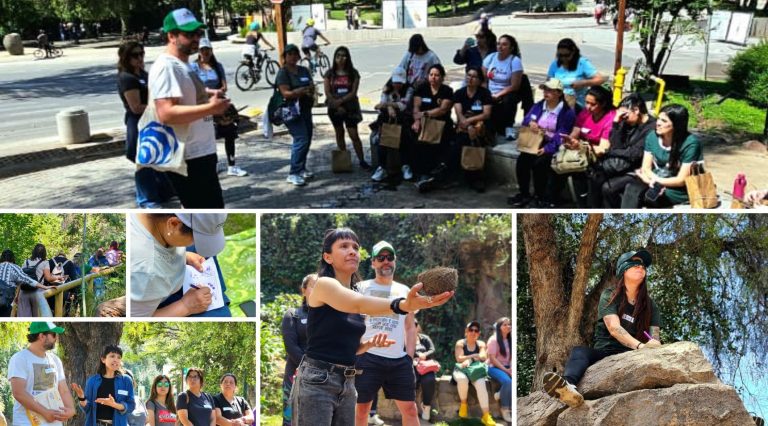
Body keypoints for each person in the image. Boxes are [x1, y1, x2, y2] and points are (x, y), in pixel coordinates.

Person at [291, 228, 454, 425]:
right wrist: (403, 305)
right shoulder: (325, 284)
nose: (352, 251)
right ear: (328, 257)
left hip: (348, 380)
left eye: (355, 247)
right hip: (317, 379)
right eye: (343, 246)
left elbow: (344, 344)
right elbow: (358, 303)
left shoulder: (354, 290)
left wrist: (366, 345)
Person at [543, 249, 662, 407]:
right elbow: (614, 328)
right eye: (635, 264)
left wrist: (654, 343)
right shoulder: (610, 295)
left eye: (643, 266)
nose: (641, 267)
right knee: (579, 351)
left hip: (632, 355)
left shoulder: (651, 306)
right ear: (623, 269)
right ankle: (567, 387)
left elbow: (654, 337)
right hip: (606, 352)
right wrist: (640, 345)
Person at [148, 8, 231, 208]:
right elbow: (166, 113)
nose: (195, 38)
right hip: (189, 157)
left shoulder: (182, 65)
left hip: (200, 153)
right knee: (207, 219)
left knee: (209, 218)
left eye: (198, 33)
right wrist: (211, 109)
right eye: (188, 34)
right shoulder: (166, 67)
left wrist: (209, 98)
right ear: (171, 36)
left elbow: (186, 101)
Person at [354, 241, 418, 426]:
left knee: (410, 410)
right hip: (367, 357)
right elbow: (352, 323)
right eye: (380, 258)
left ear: (395, 261)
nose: (385, 262)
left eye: (389, 258)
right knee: (361, 411)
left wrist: (409, 356)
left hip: (399, 360)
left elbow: (410, 326)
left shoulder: (405, 291)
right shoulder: (360, 288)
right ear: (373, 263)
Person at [130, 213, 227, 317]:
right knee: (221, 315)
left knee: (206, 257)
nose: (194, 243)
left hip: (166, 276)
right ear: (173, 224)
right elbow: (139, 318)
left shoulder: (149, 221)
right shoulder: (145, 272)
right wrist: (186, 306)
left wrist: (184, 256)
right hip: (161, 300)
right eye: (196, 239)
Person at [118, 40, 174, 208]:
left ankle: (163, 192)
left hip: (152, 119)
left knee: (157, 157)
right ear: (126, 57)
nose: (140, 58)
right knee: (143, 160)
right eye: (135, 55)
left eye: (142, 53)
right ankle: (146, 199)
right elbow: (135, 107)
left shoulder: (142, 74)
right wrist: (160, 107)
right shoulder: (127, 78)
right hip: (139, 121)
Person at [508, 78, 576, 208]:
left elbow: (561, 135)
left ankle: (540, 196)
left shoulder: (567, 113)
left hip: (552, 145)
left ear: (558, 93)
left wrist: (547, 149)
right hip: (535, 141)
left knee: (540, 164)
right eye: (545, 89)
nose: (546, 92)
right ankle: (524, 193)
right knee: (522, 162)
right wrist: (531, 123)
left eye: (550, 90)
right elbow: (527, 119)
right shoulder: (539, 105)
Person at [621, 104, 703, 208]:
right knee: (630, 188)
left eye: (664, 121)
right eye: (658, 119)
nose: (658, 123)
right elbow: (646, 167)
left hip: (676, 189)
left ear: (676, 125)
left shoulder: (690, 143)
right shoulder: (652, 136)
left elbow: (681, 180)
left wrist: (655, 181)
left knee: (650, 197)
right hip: (655, 180)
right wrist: (652, 181)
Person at [191, 38, 247, 177]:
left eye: (207, 49)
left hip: (220, 103)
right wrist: (211, 92)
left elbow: (224, 85)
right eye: (202, 50)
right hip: (204, 104)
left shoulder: (217, 66)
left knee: (229, 133)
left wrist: (219, 91)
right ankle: (213, 164)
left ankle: (232, 165)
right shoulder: (194, 67)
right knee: (209, 136)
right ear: (198, 51)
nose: (205, 52)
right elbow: (195, 88)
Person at [591, 94, 656, 208]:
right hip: (623, 164)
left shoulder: (651, 128)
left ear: (636, 110)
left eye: (625, 115)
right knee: (595, 177)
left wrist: (610, 152)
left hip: (638, 168)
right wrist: (616, 123)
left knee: (608, 188)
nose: (623, 119)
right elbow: (616, 146)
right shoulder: (626, 123)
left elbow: (635, 154)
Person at [556, 85, 616, 207]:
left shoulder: (610, 118)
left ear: (603, 104)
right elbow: (575, 132)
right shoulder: (585, 113)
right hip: (583, 153)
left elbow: (603, 149)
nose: (588, 107)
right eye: (586, 103)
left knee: (587, 176)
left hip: (601, 158)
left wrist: (583, 146)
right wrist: (570, 140)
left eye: (592, 104)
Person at [8, 322, 76, 425]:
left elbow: (63, 390)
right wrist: (45, 412)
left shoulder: (55, 360)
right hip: (27, 422)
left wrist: (71, 409)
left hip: (54, 422)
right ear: (42, 336)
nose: (56, 338)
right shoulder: (20, 358)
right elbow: (18, 393)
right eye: (53, 335)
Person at [446, 65, 494, 193]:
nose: (470, 79)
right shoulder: (459, 93)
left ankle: (476, 178)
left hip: (482, 127)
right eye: (468, 75)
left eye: (474, 76)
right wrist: (467, 125)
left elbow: (486, 114)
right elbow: (459, 113)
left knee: (473, 140)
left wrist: (470, 123)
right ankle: (458, 175)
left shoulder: (484, 93)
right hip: (464, 126)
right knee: (461, 140)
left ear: (479, 80)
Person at [323, 46, 370, 171]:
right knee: (339, 133)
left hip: (350, 108)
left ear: (348, 58)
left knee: (354, 135)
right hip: (334, 108)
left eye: (344, 56)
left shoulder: (353, 73)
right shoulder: (329, 74)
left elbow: (353, 92)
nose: (341, 59)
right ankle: (344, 160)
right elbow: (327, 92)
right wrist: (337, 104)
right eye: (338, 56)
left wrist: (341, 102)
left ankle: (362, 160)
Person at [277, 44, 316, 186]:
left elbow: (311, 85)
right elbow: (285, 93)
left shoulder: (304, 70)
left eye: (295, 54)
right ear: (285, 57)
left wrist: (310, 90)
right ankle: (293, 173)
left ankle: (301, 168)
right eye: (290, 54)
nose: (293, 57)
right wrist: (300, 91)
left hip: (305, 108)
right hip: (291, 111)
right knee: (301, 138)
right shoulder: (283, 73)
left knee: (308, 138)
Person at [411, 64, 455, 188]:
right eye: (431, 75)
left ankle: (438, 174)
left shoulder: (447, 91)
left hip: (441, 123)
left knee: (440, 143)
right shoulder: (422, 88)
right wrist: (417, 120)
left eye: (436, 75)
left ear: (442, 77)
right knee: (417, 140)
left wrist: (424, 114)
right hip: (424, 123)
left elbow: (443, 109)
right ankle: (421, 173)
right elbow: (416, 107)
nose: (433, 78)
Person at [280, 274, 314, 426]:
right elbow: (290, 346)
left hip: (324, 378)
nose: (318, 289)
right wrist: (310, 367)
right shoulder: (293, 314)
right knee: (291, 419)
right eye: (314, 285)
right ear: (304, 290)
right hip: (296, 373)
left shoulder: (329, 317)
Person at [72, 344, 135, 426]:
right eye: (112, 356)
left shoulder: (126, 380)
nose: (116, 360)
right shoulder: (92, 381)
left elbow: (131, 406)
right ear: (103, 359)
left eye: (119, 357)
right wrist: (81, 397)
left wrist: (114, 405)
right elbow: (87, 409)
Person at [371, 67, 415, 184]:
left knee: (404, 137)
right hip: (387, 119)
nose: (397, 85)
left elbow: (403, 105)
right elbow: (380, 106)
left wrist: (389, 105)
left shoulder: (409, 90)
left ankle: (405, 165)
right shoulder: (386, 89)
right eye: (395, 82)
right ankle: (382, 167)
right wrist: (389, 107)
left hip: (403, 119)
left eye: (400, 83)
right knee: (383, 139)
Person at [482, 34, 524, 140]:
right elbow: (483, 79)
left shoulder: (514, 61)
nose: (500, 47)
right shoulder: (490, 58)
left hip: (506, 91)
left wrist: (498, 94)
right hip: (490, 90)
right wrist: (486, 92)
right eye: (498, 44)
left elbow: (515, 86)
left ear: (511, 48)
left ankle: (509, 128)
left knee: (510, 99)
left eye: (504, 45)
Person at [453, 321, 495, 426]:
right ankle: (463, 404)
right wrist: (473, 356)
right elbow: (459, 359)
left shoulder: (481, 344)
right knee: (462, 380)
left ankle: (486, 416)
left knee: (481, 383)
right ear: (466, 332)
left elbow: (483, 357)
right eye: (471, 330)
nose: (473, 332)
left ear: (478, 333)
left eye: (476, 330)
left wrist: (469, 359)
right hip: (461, 370)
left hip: (475, 371)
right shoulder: (460, 343)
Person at [547, 38, 607, 110]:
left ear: (573, 52)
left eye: (567, 55)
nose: (563, 58)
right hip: (558, 103)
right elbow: (548, 82)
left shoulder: (582, 63)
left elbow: (601, 79)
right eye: (560, 55)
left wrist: (583, 83)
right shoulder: (555, 64)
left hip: (577, 104)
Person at [0, 250, 52, 317]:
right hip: (5, 302)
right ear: (12, 258)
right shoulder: (15, 268)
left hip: (20, 295)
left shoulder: (26, 261)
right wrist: (45, 287)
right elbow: (28, 280)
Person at [22, 244, 65, 316]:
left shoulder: (26, 261)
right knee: (38, 314)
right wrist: (58, 277)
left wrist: (16, 297)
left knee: (24, 315)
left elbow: (20, 278)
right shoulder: (45, 262)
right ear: (44, 252)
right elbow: (48, 278)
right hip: (37, 291)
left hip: (23, 291)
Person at [487, 317, 511, 422]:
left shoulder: (511, 339)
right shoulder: (493, 340)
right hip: (494, 367)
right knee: (508, 381)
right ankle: (505, 409)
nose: (508, 326)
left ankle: (500, 394)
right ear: (499, 327)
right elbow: (492, 359)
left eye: (509, 324)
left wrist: (511, 367)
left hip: (507, 367)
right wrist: (506, 370)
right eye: (505, 324)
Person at [412, 319, 437, 422]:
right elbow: (404, 350)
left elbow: (432, 349)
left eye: (415, 324)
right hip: (411, 366)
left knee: (430, 380)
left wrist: (423, 355)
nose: (413, 326)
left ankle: (426, 406)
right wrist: (417, 356)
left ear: (418, 326)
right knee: (411, 380)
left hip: (425, 366)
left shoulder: (424, 338)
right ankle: (411, 409)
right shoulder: (403, 338)